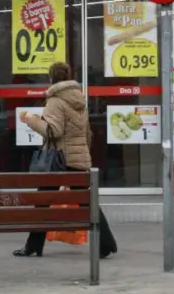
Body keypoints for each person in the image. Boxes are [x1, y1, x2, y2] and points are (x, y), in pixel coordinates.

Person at [12, 62, 118, 259]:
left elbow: (54, 131)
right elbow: (86, 133)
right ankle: (106, 244)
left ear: (51, 78)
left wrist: (30, 119)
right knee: (87, 202)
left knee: (42, 202)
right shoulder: (79, 99)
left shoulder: (55, 101)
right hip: (78, 157)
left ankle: (33, 246)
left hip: (58, 159)